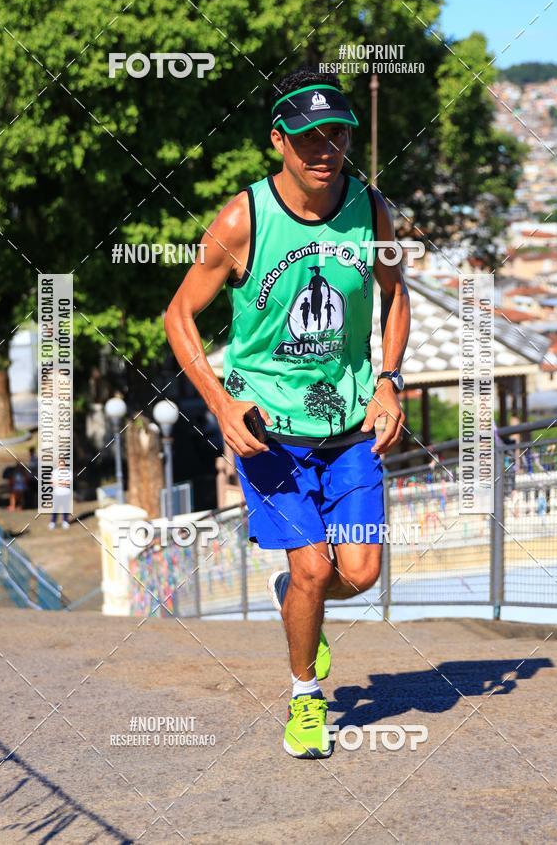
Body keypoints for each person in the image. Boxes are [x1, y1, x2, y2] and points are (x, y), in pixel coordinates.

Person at [165, 67, 410, 759]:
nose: (323, 147)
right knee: (311, 569)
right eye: (307, 136)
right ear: (279, 141)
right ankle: (307, 702)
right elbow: (179, 314)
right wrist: (220, 401)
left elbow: (396, 294)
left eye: (336, 132)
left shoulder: (373, 210)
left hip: (351, 428)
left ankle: (295, 595)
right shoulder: (244, 218)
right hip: (270, 434)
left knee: (358, 572)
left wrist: (388, 380)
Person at [49, 458, 72, 529]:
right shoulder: (54, 472)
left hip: (66, 493)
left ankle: (65, 521)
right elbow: (52, 483)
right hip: (57, 494)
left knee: (66, 508)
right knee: (55, 509)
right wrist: (62, 482)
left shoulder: (69, 472)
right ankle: (53, 522)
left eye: (63, 464)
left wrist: (59, 482)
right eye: (60, 464)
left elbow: (69, 483)